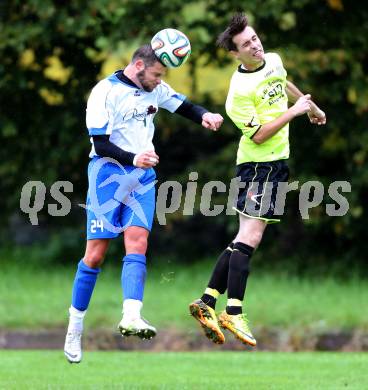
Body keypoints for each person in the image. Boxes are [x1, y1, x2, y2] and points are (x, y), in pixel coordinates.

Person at [64, 44, 223, 363]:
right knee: (95, 255)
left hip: (142, 175)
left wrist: (206, 115)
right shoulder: (104, 92)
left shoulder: (155, 87)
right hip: (107, 173)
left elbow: (183, 105)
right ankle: (74, 328)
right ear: (138, 66)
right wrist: (133, 156)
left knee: (138, 243)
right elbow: (101, 143)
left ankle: (131, 315)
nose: (160, 81)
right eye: (156, 74)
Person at [189, 13, 326, 346]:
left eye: (254, 38)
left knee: (243, 236)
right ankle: (233, 310)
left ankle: (207, 302)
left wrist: (308, 106)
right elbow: (261, 135)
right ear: (235, 54)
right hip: (257, 165)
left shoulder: (273, 61)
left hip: (276, 165)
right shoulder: (237, 94)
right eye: (246, 44)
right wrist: (293, 113)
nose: (255, 45)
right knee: (252, 235)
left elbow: (282, 82)